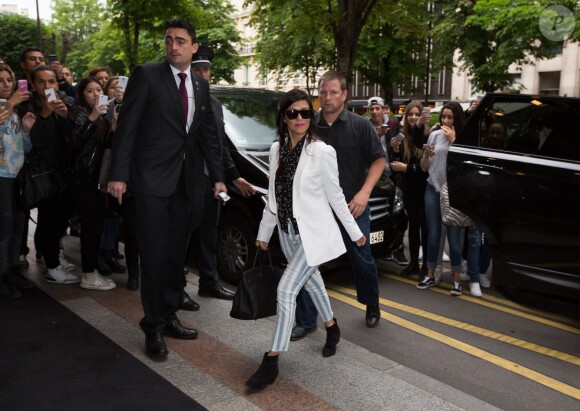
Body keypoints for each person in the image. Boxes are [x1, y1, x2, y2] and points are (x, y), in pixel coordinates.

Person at [108, 19, 226, 359]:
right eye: (168, 40)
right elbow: (127, 127)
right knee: (155, 255)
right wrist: (119, 174)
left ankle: (170, 312)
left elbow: (206, 136)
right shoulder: (147, 74)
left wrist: (218, 177)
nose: (173, 46)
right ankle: (153, 326)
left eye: (180, 41)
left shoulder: (201, 88)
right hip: (150, 183)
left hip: (187, 184)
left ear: (194, 46)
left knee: (176, 255)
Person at [245, 89, 365, 390]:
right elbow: (274, 195)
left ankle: (271, 359)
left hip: (314, 236)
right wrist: (264, 232)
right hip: (287, 232)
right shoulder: (276, 150)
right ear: (283, 117)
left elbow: (336, 197)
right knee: (313, 284)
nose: (299, 118)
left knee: (286, 290)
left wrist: (355, 232)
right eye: (292, 113)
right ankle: (332, 327)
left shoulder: (322, 151)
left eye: (305, 113)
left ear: (311, 117)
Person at [292, 70, 385, 339]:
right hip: (317, 211)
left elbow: (379, 161)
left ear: (344, 94)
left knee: (362, 259)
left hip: (353, 208)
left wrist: (364, 193)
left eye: (333, 92)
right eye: (323, 92)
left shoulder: (360, 125)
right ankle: (307, 320)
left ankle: (372, 304)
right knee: (309, 262)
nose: (327, 97)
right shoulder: (309, 125)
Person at [187, 44, 254, 302]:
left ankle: (209, 282)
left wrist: (232, 175)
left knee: (208, 233)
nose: (203, 74)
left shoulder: (215, 104)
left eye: (206, 70)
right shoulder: (182, 100)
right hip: (185, 180)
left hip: (212, 182)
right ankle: (175, 288)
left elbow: (221, 144)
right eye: (198, 69)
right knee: (181, 236)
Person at [23, 65, 79, 285]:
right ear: (34, 84)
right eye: (42, 82)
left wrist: (65, 116)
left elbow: (75, 138)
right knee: (48, 219)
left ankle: (54, 257)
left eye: (52, 82)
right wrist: (45, 114)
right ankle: (53, 266)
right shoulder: (28, 106)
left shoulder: (68, 103)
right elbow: (38, 142)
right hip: (44, 174)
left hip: (66, 171)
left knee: (61, 220)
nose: (47, 86)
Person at [68, 77, 116, 291]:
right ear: (82, 94)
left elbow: (104, 146)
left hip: (97, 178)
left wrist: (112, 125)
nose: (96, 94)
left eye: (98, 90)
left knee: (95, 226)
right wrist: (93, 116)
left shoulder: (102, 116)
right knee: (91, 227)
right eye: (90, 91)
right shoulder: (79, 113)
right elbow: (75, 143)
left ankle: (91, 270)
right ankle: (88, 275)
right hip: (83, 178)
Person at [418, 102, 466, 295]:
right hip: (432, 187)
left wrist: (455, 140)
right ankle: (430, 274)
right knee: (433, 234)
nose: (445, 121)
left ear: (457, 119)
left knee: (454, 239)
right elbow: (423, 167)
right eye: (443, 116)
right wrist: (427, 156)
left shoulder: (463, 138)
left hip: (453, 191)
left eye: (450, 117)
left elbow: (464, 164)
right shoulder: (434, 135)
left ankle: (456, 280)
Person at [0, 63, 36, 298]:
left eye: (9, 80)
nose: (6, 85)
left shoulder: (12, 110)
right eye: (0, 81)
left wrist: (25, 130)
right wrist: (12, 102)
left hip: (16, 176)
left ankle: (10, 268)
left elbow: (23, 148)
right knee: (3, 228)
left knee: (16, 225)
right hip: (1, 177)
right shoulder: (8, 107)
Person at [366, 96, 408, 267]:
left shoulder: (392, 124)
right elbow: (362, 148)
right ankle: (382, 248)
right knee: (376, 215)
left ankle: (397, 249)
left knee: (397, 211)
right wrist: (376, 136)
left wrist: (396, 146)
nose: (375, 112)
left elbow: (402, 146)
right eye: (372, 109)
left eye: (378, 108)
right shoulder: (364, 125)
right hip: (372, 175)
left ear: (383, 109)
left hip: (392, 173)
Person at [391, 101, 430, 278]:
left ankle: (425, 267)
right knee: (413, 228)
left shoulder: (427, 136)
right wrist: (396, 150)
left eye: (417, 114)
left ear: (422, 116)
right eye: (410, 114)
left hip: (425, 188)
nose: (413, 117)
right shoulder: (403, 136)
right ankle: (414, 262)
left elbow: (425, 168)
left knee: (425, 228)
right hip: (410, 189)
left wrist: (406, 168)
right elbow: (396, 164)